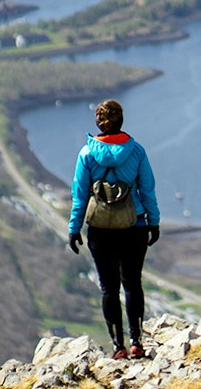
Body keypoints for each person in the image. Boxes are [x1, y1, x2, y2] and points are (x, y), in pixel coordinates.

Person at [67, 99, 161, 359]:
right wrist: (153, 221)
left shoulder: (86, 154)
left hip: (100, 228)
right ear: (121, 121)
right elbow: (147, 190)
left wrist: (74, 228)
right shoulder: (137, 151)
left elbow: (80, 195)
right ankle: (137, 342)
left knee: (109, 288)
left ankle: (118, 346)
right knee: (132, 284)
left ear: (98, 123)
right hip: (135, 225)